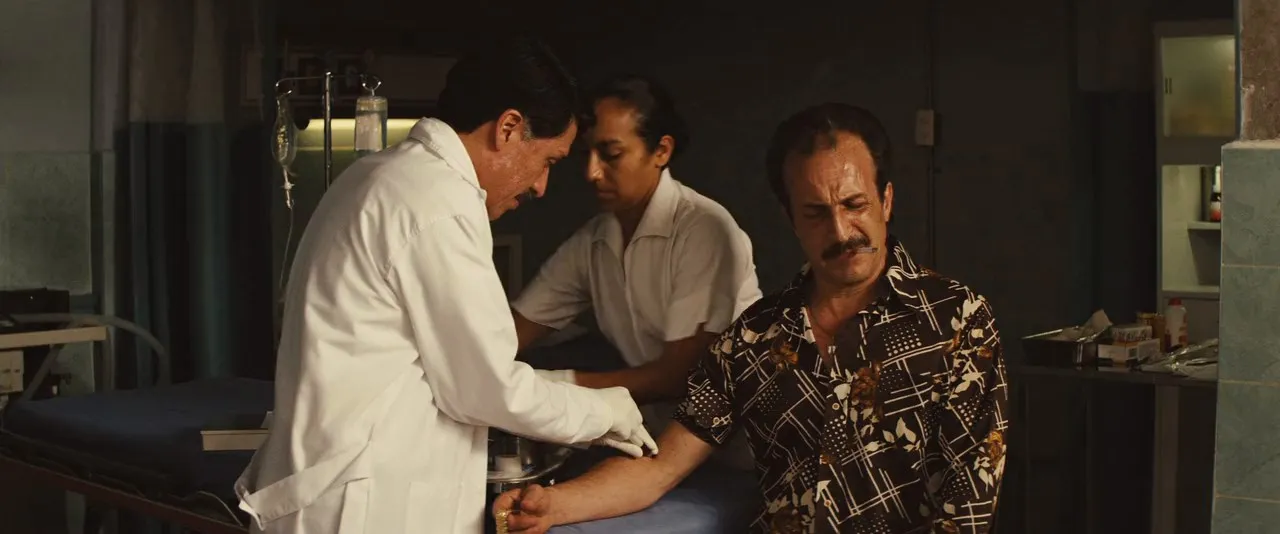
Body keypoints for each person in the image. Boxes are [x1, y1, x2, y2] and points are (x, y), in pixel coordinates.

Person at [494, 102, 1010, 534]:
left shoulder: (957, 320)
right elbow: (660, 468)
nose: (840, 231)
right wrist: (553, 505)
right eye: (816, 213)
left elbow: (967, 505)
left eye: (855, 204)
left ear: (886, 200)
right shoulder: (753, 338)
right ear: (791, 219)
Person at [234, 37, 657, 534]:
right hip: (363, 507)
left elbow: (462, 369)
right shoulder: (437, 202)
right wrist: (602, 411)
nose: (541, 187)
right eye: (549, 161)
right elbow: (485, 388)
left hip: (344, 490)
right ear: (508, 128)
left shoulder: (379, 175)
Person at [510, 74, 761, 470]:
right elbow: (510, 333)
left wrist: (538, 387)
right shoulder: (594, 241)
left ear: (661, 150)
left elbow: (678, 376)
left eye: (611, 154)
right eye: (587, 154)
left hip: (734, 454)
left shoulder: (704, 230)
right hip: (654, 446)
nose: (592, 172)